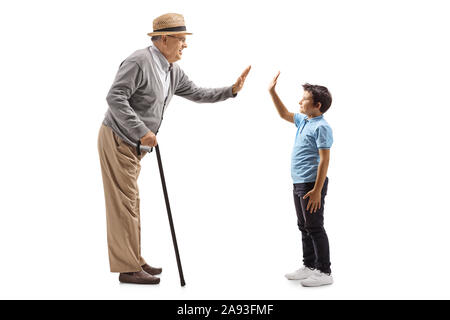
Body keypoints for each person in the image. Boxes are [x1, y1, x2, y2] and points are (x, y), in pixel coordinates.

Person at [98, 13, 251, 285]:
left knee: (131, 202)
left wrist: (231, 90)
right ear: (164, 39)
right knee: (124, 205)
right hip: (118, 139)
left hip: (135, 146)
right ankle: (128, 267)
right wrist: (141, 130)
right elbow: (115, 97)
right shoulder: (139, 61)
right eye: (181, 39)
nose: (185, 45)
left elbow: (197, 93)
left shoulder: (171, 69)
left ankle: (134, 258)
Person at [268, 72, 334, 287]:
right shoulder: (304, 120)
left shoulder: (322, 127)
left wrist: (316, 190)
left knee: (315, 226)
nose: (299, 102)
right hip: (298, 182)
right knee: (303, 225)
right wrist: (272, 92)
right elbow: (284, 114)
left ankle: (324, 271)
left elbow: (324, 160)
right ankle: (309, 265)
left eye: (304, 99)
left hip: (311, 184)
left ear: (317, 105)